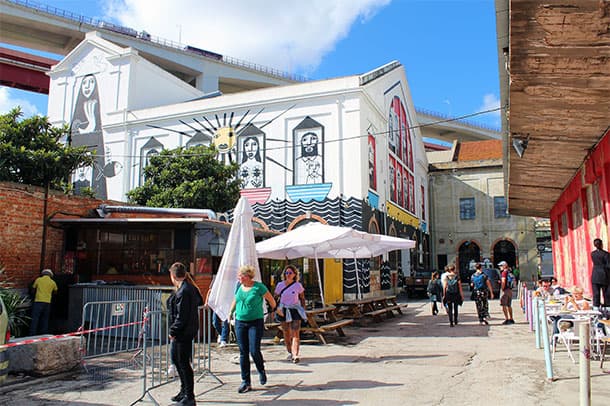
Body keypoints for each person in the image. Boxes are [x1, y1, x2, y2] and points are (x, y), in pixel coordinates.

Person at [230, 265, 276, 394]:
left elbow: (271, 299)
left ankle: (261, 370)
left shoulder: (258, 287)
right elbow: (236, 300)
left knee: (254, 350)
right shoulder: (239, 287)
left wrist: (273, 309)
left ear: (247, 276)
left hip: (255, 322)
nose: (239, 278)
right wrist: (230, 312)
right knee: (243, 352)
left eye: (241, 276)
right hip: (240, 322)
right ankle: (246, 381)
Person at [167, 262, 203, 406]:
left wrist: (173, 330)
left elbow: (182, 316)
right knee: (177, 360)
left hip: (184, 332)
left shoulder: (185, 290)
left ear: (173, 275)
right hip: (185, 330)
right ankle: (184, 391)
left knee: (183, 363)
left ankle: (189, 396)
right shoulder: (186, 288)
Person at [274, 265, 306, 363]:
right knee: (286, 332)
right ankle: (290, 351)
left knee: (295, 333)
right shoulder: (280, 285)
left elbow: (302, 297)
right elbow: (275, 297)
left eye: (290, 273)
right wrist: (275, 309)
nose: (288, 275)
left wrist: (303, 309)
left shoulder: (298, 285)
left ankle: (295, 354)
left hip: (295, 310)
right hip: (283, 310)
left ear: (295, 274)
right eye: (286, 273)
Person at [29, 269, 58, 335]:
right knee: (45, 318)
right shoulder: (52, 282)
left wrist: (33, 296)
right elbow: (55, 291)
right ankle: (43, 333)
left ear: (43, 274)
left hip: (38, 301)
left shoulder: (38, 280)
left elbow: (33, 289)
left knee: (35, 318)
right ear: (50, 275)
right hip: (47, 302)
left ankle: (32, 333)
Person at [591, 238, 610, 309]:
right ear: (601, 244)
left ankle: (596, 308)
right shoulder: (606, 254)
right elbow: (608, 265)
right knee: (606, 293)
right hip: (604, 276)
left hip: (595, 275)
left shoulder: (592, 254)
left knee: (596, 293)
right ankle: (608, 308)